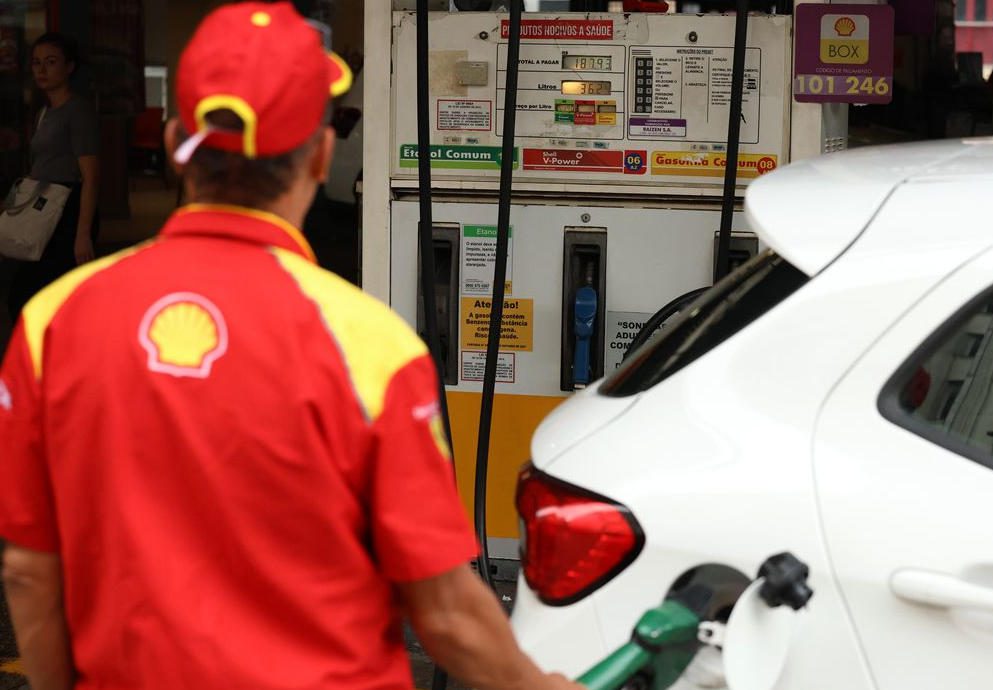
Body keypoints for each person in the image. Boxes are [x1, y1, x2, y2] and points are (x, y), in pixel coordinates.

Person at [0, 5, 583, 690]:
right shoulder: (370, 345)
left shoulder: (55, 321)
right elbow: (447, 613)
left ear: (175, 139)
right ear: (321, 154)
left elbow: (30, 567)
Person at [6, 32, 100, 322]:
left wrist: (82, 234)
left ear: (69, 67)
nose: (42, 70)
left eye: (50, 62)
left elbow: (91, 177)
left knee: (48, 294)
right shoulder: (44, 112)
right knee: (26, 293)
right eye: (36, 63)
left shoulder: (78, 111)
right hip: (43, 204)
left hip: (68, 207)